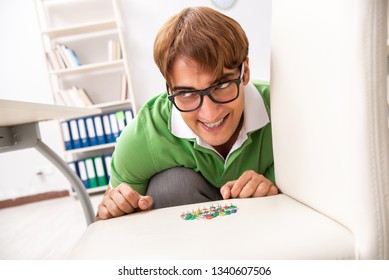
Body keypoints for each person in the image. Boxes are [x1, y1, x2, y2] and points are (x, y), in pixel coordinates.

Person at [96, 6, 278, 220]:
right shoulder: (144, 136)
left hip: (264, 230)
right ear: (170, 89)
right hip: (186, 242)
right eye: (187, 93)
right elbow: (106, 224)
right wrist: (113, 209)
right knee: (172, 185)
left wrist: (275, 193)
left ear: (244, 72)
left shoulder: (283, 111)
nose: (210, 114)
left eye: (221, 85)